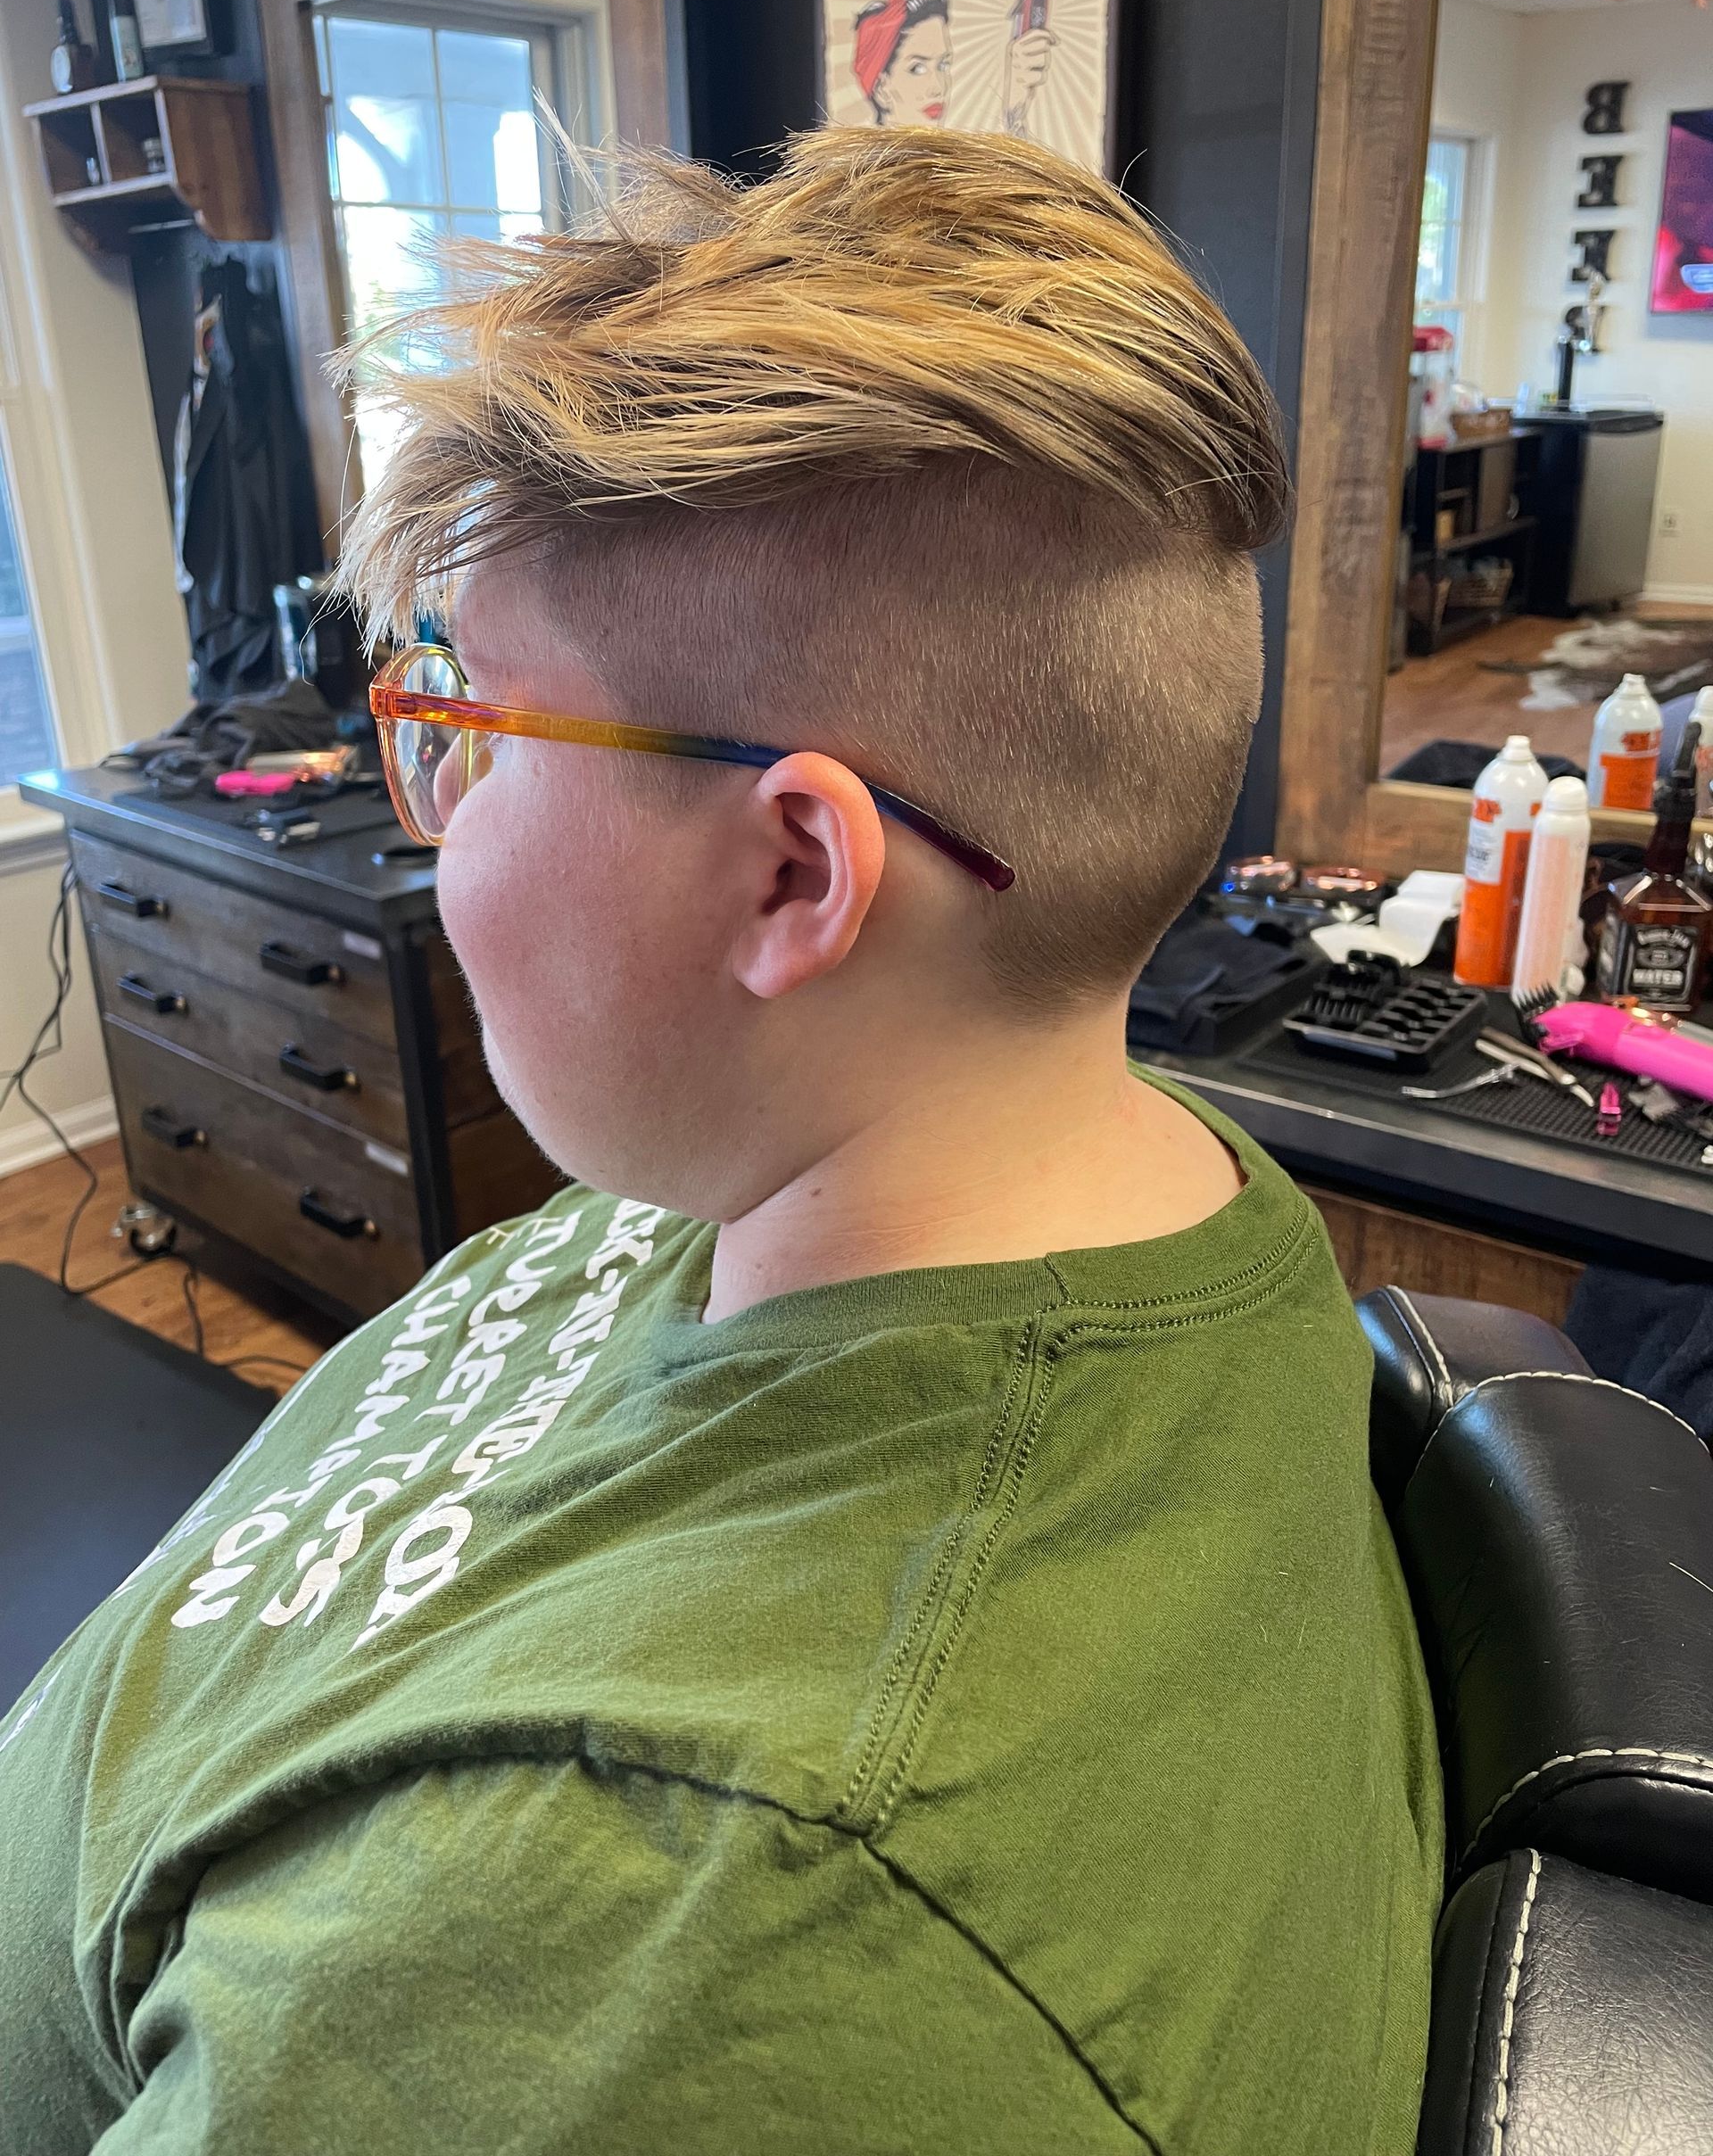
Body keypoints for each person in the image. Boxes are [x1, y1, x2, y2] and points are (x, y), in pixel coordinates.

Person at [0, 127, 1441, 2154]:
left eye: (468, 726)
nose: (431, 813)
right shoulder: (1124, 1185)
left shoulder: (677, 1947)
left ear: (792, 874)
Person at [851, 0, 1054, 136]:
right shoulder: (862, 178)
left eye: (943, 65)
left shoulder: (949, 167)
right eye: (917, 68)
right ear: (881, 88)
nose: (938, 87)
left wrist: (1015, 104)